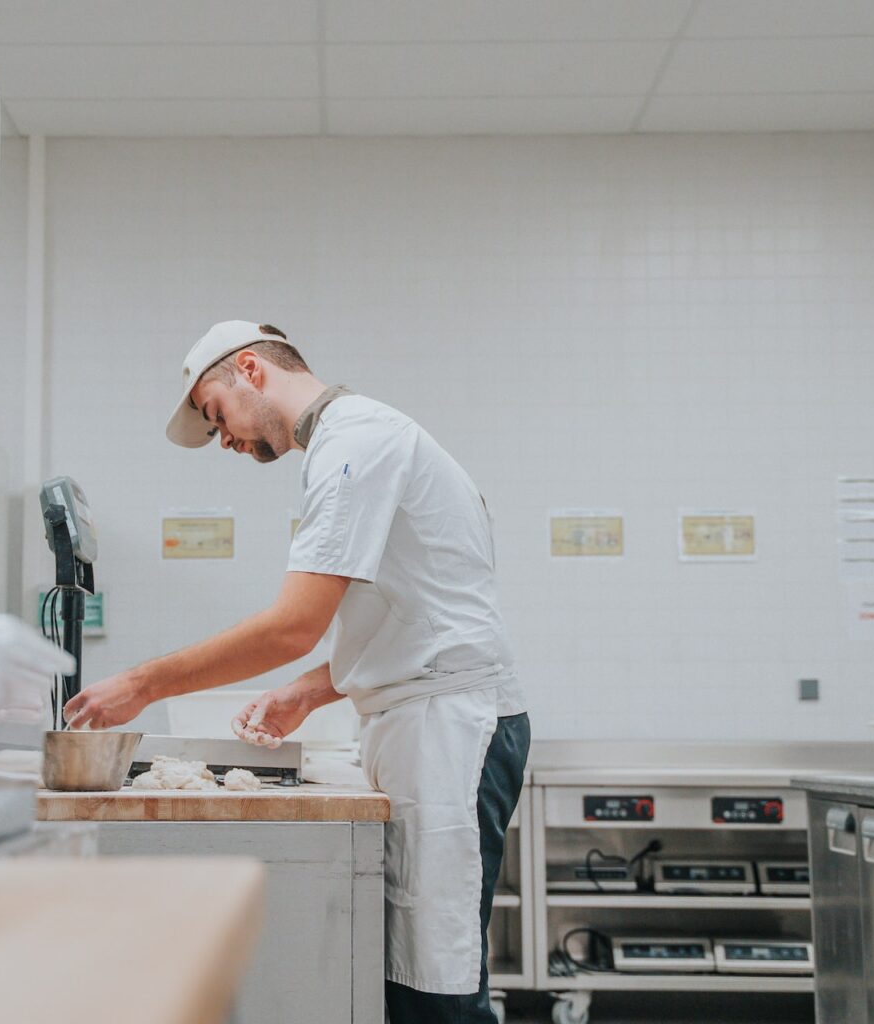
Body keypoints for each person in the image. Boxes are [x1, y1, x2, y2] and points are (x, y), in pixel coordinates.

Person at [64, 320, 530, 1023]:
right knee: (413, 976)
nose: (224, 439)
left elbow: (292, 626)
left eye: (216, 415)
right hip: (421, 720)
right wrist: (308, 692)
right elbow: (415, 608)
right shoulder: (352, 444)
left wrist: (141, 684)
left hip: (450, 730)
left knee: (438, 987)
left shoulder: (356, 441)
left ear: (250, 369)